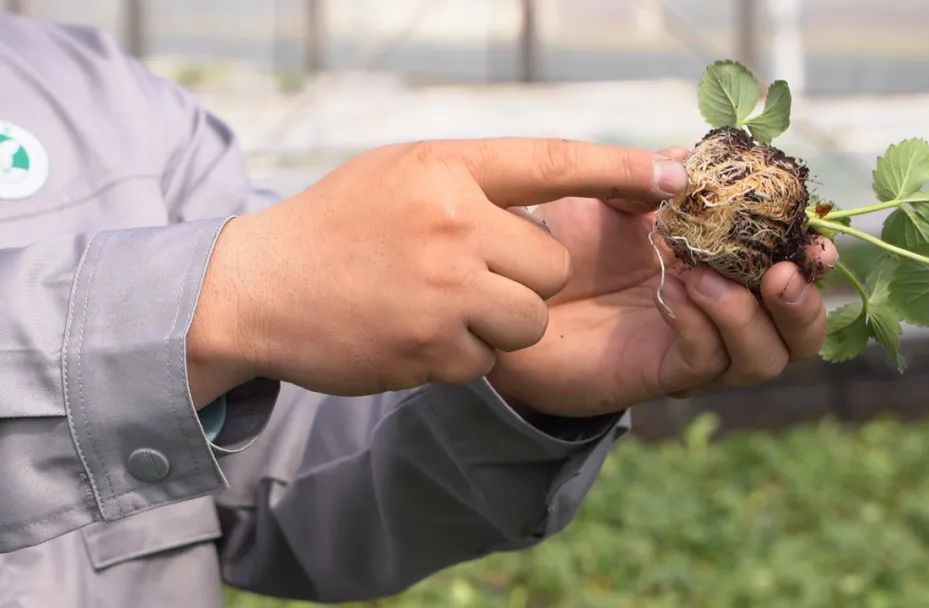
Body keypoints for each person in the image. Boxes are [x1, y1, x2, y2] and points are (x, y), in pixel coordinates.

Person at [0, 12, 836, 607]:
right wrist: (222, 301)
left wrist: (511, 388)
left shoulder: (104, 98)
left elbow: (283, 488)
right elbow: (254, 297)